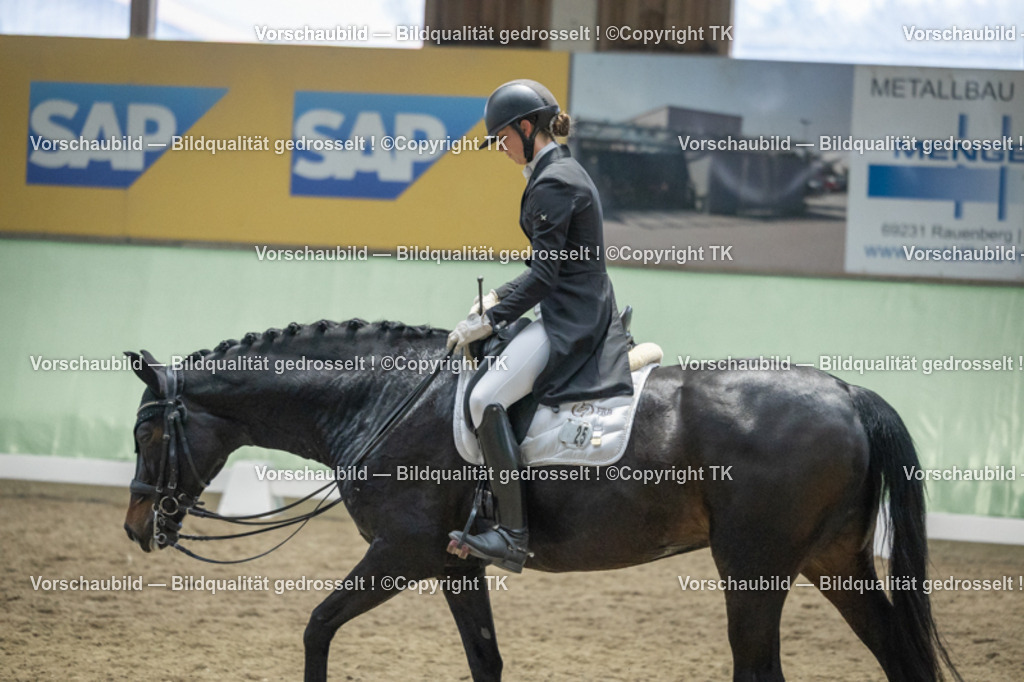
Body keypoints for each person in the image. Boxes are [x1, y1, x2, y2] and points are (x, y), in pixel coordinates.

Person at [446, 79, 634, 572]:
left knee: (485, 399)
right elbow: (546, 268)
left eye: (503, 137)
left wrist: (490, 319)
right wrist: (498, 296)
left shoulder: (553, 182)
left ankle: (512, 533)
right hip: (573, 306)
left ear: (526, 128)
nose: (501, 149)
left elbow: (546, 275)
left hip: (571, 319)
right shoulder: (560, 171)